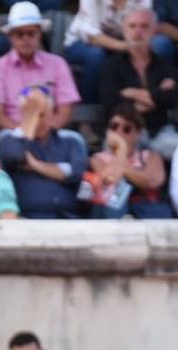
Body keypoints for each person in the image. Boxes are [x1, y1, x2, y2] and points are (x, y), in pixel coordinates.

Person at [0, 2, 79, 133]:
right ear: (10, 37)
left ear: (40, 35)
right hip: (12, 134)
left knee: (74, 142)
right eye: (20, 34)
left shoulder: (58, 64)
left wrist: (44, 133)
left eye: (31, 33)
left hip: (52, 134)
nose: (26, 39)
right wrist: (25, 132)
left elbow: (65, 113)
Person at [100, 5, 178, 160]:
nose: (138, 31)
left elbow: (172, 98)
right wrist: (156, 97)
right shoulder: (111, 66)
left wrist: (131, 93)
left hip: (160, 131)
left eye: (144, 26)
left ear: (154, 30)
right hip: (124, 130)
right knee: (112, 151)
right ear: (124, 30)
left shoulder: (165, 64)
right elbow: (111, 104)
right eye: (132, 26)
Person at [0, 86, 87, 218]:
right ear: (22, 115)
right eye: (32, 115)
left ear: (52, 113)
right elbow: (15, 156)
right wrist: (29, 120)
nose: (38, 121)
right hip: (25, 219)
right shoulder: (8, 138)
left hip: (67, 219)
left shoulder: (72, 140)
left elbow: (76, 173)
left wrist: (35, 165)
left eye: (42, 115)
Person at [64, 0, 174, 104]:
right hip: (83, 43)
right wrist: (126, 47)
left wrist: (136, 44)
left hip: (126, 40)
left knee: (161, 44)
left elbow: (145, 24)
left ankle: (154, 101)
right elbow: (92, 36)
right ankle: (89, 113)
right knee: (95, 55)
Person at [86, 100, 171, 217]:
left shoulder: (152, 156)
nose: (119, 132)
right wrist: (121, 150)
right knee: (113, 199)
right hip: (111, 211)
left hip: (146, 207)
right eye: (114, 127)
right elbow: (110, 181)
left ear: (138, 133)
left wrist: (122, 159)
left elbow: (153, 181)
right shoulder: (97, 159)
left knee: (159, 210)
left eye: (127, 129)